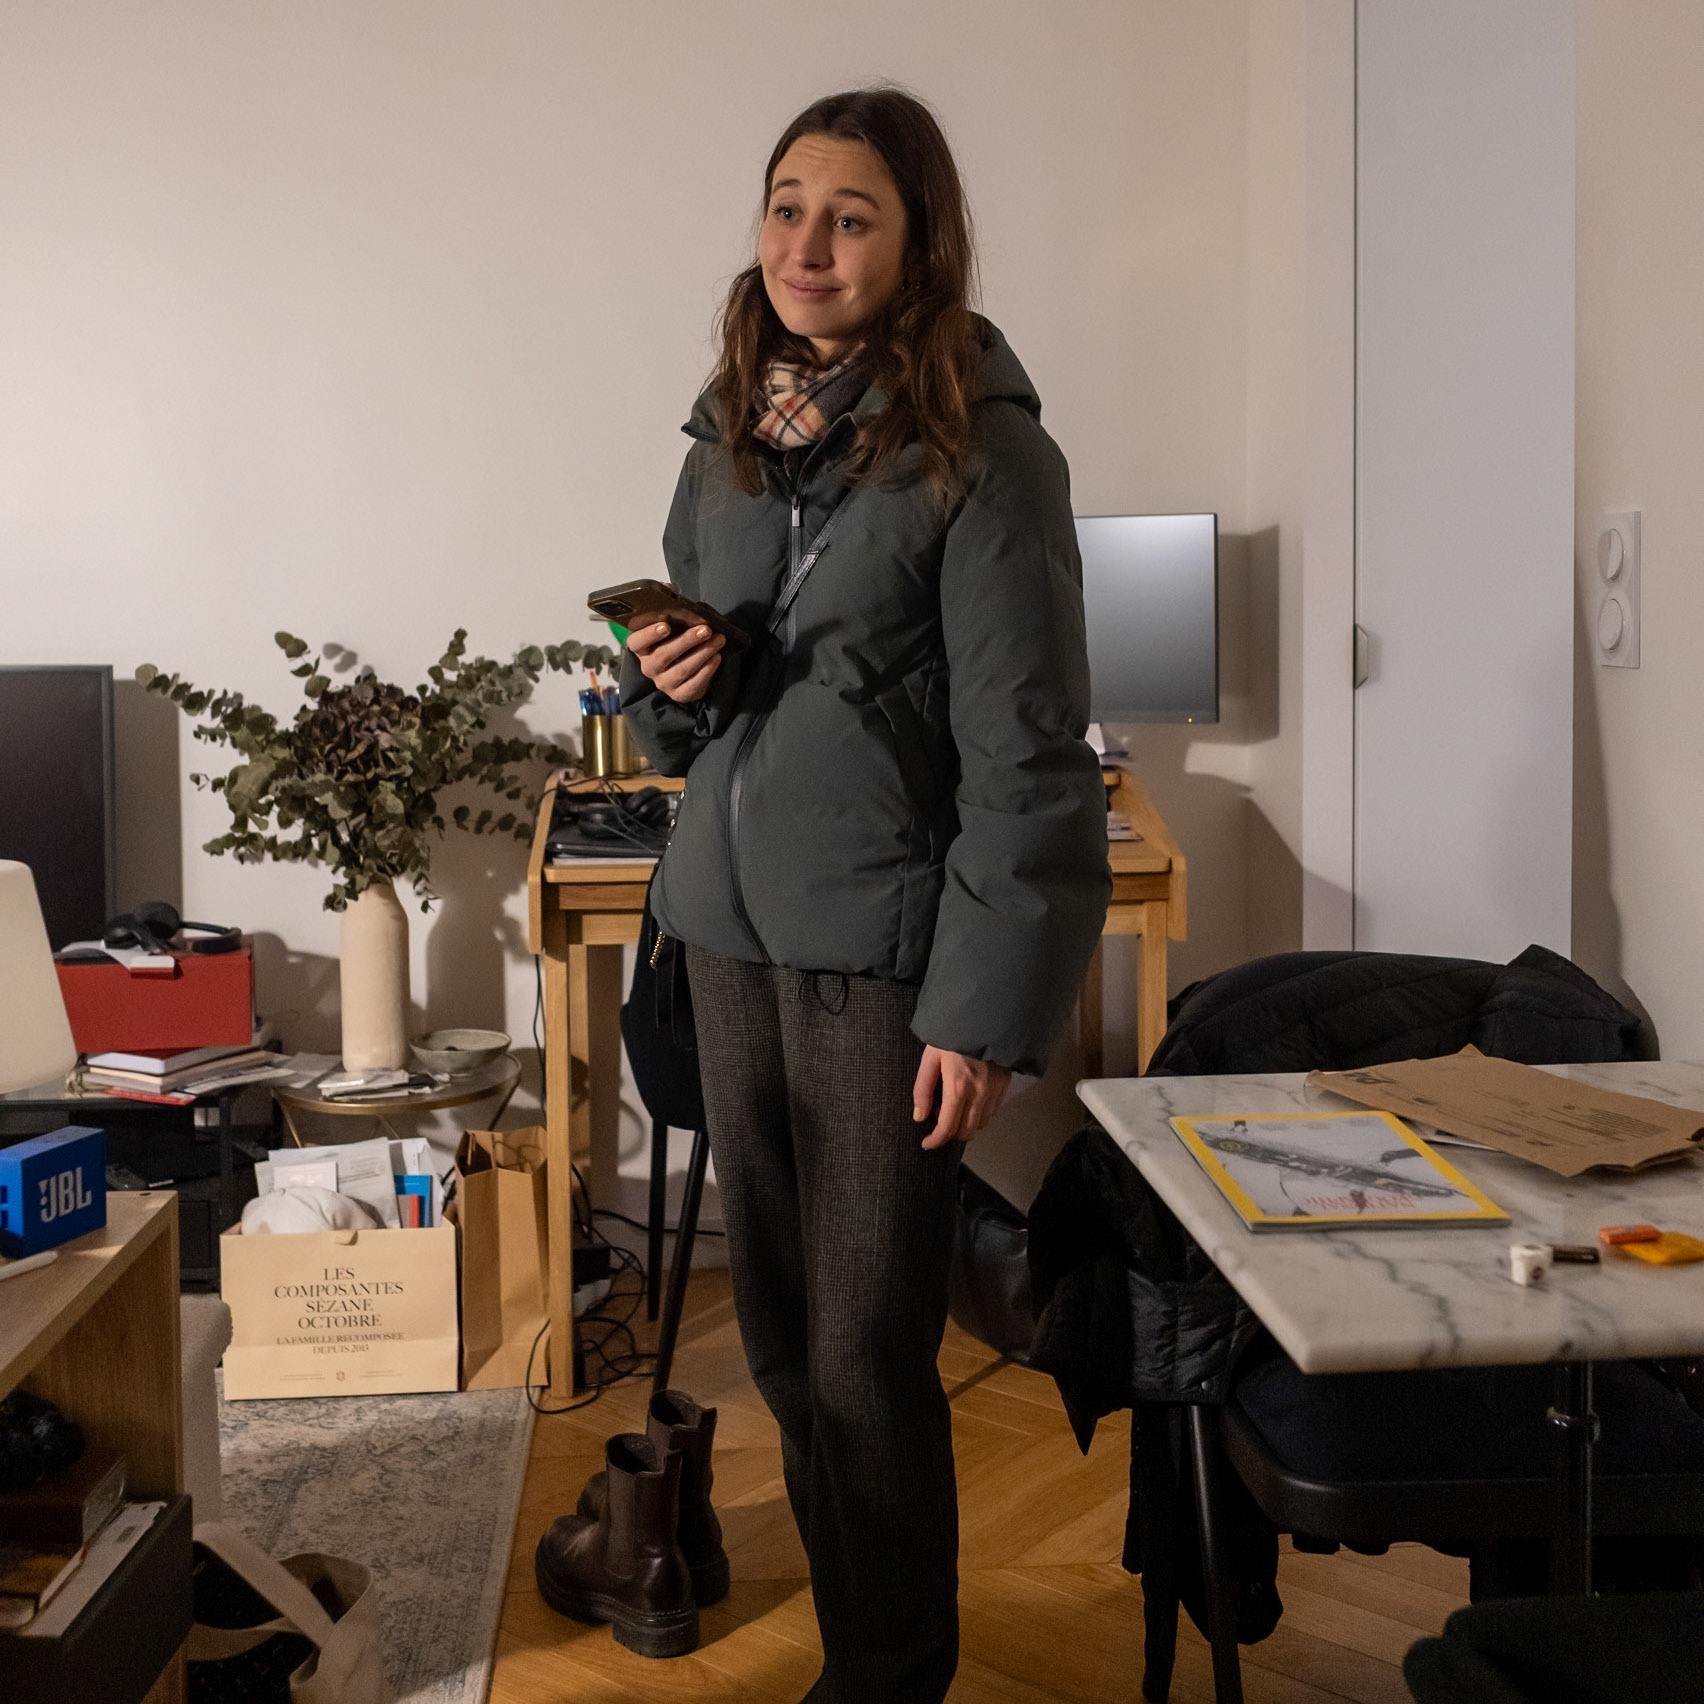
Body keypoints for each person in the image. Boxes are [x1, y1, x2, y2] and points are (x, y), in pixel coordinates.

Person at [627, 89, 1107, 1702]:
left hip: (882, 972)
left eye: (851, 216)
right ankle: (858, 1656)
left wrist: (983, 1015)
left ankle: (892, 1675)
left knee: (864, 1358)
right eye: (787, 207)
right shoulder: (729, 446)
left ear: (918, 243)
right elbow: (694, 722)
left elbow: (1030, 753)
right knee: (780, 1351)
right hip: (726, 947)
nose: (807, 246)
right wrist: (669, 682)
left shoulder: (986, 453)